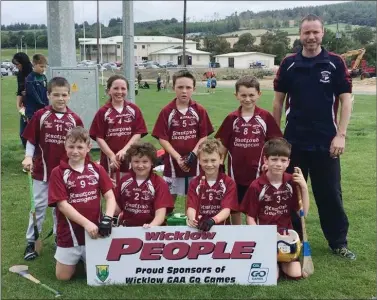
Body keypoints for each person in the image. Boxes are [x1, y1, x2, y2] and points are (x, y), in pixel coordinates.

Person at [272, 14, 355, 260]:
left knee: (329, 193)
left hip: (326, 142)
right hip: (293, 142)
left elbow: (345, 100)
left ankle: (338, 242)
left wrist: (341, 135)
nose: (311, 37)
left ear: (322, 33)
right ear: (300, 35)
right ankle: (291, 241)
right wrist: (277, 137)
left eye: (315, 32)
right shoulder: (288, 63)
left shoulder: (335, 62)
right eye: (306, 32)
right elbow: (277, 103)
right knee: (291, 193)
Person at [21, 77, 84, 261]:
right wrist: (27, 157)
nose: (60, 98)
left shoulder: (74, 119)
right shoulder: (41, 115)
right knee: (38, 206)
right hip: (42, 171)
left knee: (61, 208)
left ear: (69, 96)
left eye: (64, 95)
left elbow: (80, 146)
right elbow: (32, 140)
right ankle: (32, 242)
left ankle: (61, 239)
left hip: (65, 173)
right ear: (48, 95)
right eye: (56, 95)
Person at [48, 126, 117, 280]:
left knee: (96, 276)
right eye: (71, 146)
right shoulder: (58, 172)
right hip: (69, 233)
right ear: (65, 146)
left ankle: (85, 256)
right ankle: (71, 254)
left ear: (88, 147)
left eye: (80, 147)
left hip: (95, 232)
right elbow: (62, 205)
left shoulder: (97, 169)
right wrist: (86, 223)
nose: (75, 151)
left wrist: (108, 218)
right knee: (62, 277)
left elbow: (110, 197)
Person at [215, 76, 282, 225]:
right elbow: (223, 145)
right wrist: (219, 163)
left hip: (258, 172)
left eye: (251, 95)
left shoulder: (265, 117)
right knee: (234, 206)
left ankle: (254, 234)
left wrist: (270, 163)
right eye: (243, 95)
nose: (247, 99)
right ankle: (238, 233)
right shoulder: (232, 118)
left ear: (259, 94)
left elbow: (274, 143)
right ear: (236, 95)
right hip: (235, 173)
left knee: (256, 204)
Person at [240, 138, 310, 280]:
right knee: (272, 276)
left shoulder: (291, 182)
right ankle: (275, 263)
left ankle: (282, 262)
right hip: (265, 237)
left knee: (296, 274)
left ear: (288, 162)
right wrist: (260, 237)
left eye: (283, 160)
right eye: (274, 159)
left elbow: (303, 213)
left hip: (286, 236)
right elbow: (250, 218)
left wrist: (304, 187)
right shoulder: (256, 186)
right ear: (266, 160)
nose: (279, 164)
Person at [152, 69, 214, 203]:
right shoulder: (167, 111)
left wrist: (193, 153)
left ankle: (191, 222)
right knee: (167, 202)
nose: (184, 91)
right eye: (180, 87)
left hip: (196, 162)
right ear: (173, 87)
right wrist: (178, 158)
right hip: (173, 163)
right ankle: (162, 224)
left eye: (188, 87)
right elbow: (162, 138)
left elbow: (203, 136)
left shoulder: (199, 110)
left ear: (194, 89)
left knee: (194, 201)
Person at [89, 75, 148, 178]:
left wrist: (125, 150)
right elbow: (99, 137)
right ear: (109, 91)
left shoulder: (134, 109)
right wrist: (111, 155)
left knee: (129, 189)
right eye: (115, 88)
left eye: (123, 88)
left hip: (130, 157)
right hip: (109, 160)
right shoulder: (103, 112)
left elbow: (138, 133)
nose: (119, 92)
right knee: (112, 190)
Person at [114, 142, 174, 227]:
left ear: (152, 162)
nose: (140, 165)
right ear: (130, 162)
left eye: (145, 161)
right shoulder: (124, 180)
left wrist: (152, 225)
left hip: (152, 230)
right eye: (136, 161)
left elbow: (160, 214)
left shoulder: (159, 183)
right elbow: (117, 209)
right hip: (127, 229)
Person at [186, 139, 239, 231]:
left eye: (213, 160)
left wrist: (212, 220)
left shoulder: (229, 182)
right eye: (205, 160)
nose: (209, 164)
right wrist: (192, 218)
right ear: (199, 160)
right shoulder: (194, 183)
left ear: (221, 159)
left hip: (222, 229)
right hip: (199, 229)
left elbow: (226, 210)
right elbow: (191, 207)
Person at [12, 52, 33, 149]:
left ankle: (35, 156)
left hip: (34, 107)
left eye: (17, 64)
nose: (16, 67)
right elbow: (19, 91)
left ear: (23, 63)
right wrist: (18, 106)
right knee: (23, 134)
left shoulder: (33, 74)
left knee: (33, 134)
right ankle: (28, 155)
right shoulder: (20, 75)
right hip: (24, 107)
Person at [25, 54, 49, 121]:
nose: (43, 69)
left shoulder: (44, 77)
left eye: (45, 67)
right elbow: (34, 95)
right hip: (33, 111)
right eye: (41, 67)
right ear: (34, 64)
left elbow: (46, 92)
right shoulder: (30, 78)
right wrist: (43, 105)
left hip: (44, 110)